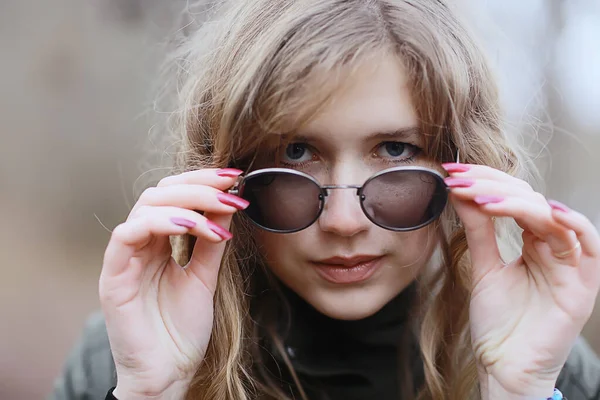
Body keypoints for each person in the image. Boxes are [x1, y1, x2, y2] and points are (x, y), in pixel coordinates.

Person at [49, 0, 600, 399]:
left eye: (394, 149)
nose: (343, 222)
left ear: (464, 163)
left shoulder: (550, 362)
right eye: (296, 152)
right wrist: (150, 392)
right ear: (227, 170)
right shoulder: (122, 357)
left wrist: (519, 392)